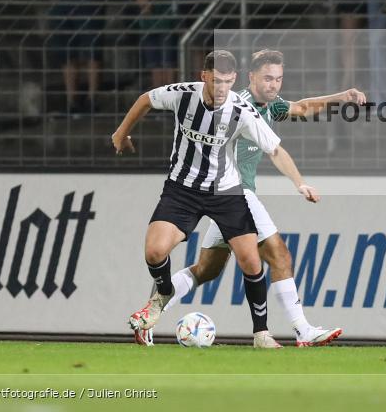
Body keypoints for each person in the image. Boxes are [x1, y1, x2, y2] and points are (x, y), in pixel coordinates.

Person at [147, 49, 366, 347]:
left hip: (224, 197)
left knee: (205, 270)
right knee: (279, 255)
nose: (274, 85)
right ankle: (302, 329)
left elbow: (301, 108)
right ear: (250, 78)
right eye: (267, 78)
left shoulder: (270, 105)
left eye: (278, 79)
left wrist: (341, 96)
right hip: (236, 192)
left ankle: (149, 315)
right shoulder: (240, 105)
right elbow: (270, 149)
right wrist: (299, 183)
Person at [115, 50, 318, 349]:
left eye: (226, 82)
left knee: (250, 260)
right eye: (216, 81)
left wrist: (299, 183)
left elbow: (275, 149)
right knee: (155, 252)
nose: (221, 88)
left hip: (226, 192)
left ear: (234, 79)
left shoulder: (241, 110)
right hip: (182, 189)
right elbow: (146, 98)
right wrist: (122, 132)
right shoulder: (183, 95)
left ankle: (261, 334)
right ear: (204, 77)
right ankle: (164, 292)